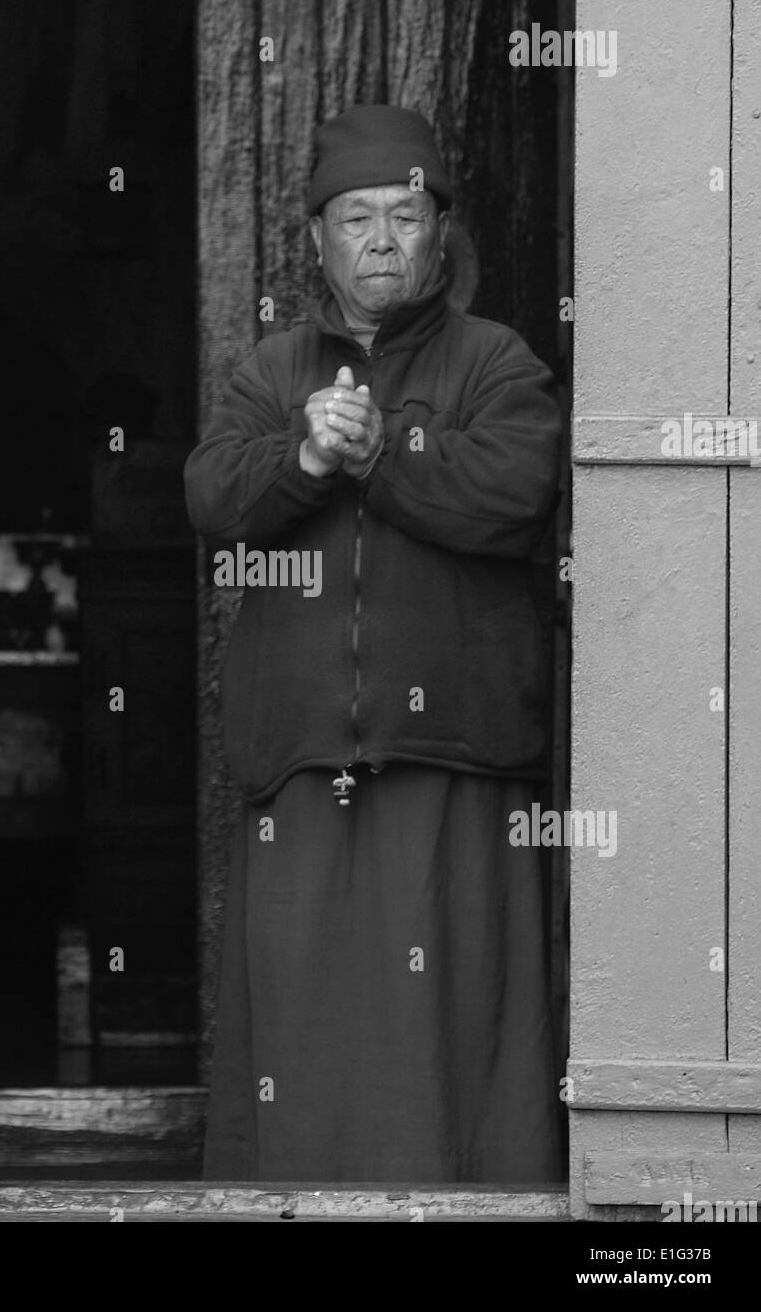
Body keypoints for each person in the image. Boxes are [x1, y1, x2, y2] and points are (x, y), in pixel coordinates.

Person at [184, 104, 564, 1183]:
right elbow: (210, 492)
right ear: (317, 239)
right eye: (355, 218)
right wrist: (301, 456)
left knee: (454, 1027)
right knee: (304, 1035)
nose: (382, 239)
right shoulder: (271, 372)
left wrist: (382, 450)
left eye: (405, 214)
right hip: (304, 758)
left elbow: (515, 492)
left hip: (454, 758)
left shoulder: (497, 362)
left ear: (442, 231)